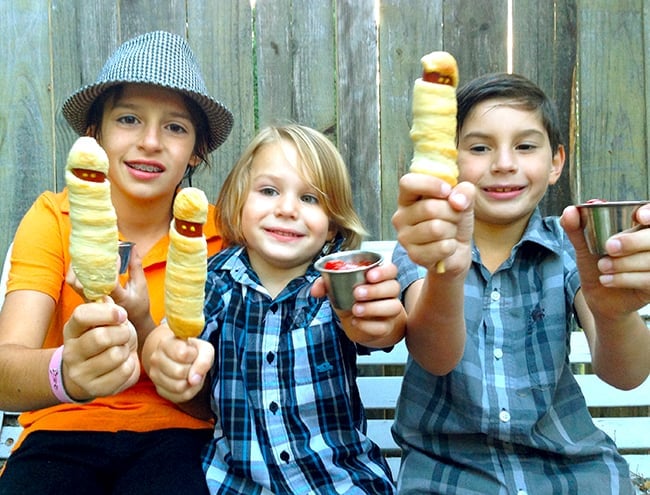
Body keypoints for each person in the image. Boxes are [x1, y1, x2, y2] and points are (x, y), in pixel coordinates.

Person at [391, 72, 650, 494]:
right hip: (450, 474)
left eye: (526, 146)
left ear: (555, 163)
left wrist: (614, 312)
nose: (504, 163)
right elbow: (435, 355)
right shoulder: (426, 247)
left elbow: (625, 375)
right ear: (449, 159)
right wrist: (448, 274)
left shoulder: (571, 250)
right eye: (479, 147)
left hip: (572, 470)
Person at [0, 31, 233, 495]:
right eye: (129, 119)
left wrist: (150, 334)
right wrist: (64, 372)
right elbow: (6, 371)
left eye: (175, 127)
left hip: (179, 440)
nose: (150, 141)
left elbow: (218, 404)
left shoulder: (216, 234)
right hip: (58, 433)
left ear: (197, 151)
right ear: (95, 134)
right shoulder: (55, 219)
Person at [142, 123, 406, 494]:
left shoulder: (339, 284)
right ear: (240, 203)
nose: (286, 209)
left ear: (331, 226)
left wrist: (381, 317)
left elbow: (381, 331)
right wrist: (163, 355)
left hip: (338, 481)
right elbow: (171, 333)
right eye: (269, 191)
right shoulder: (214, 281)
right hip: (235, 482)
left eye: (310, 199)